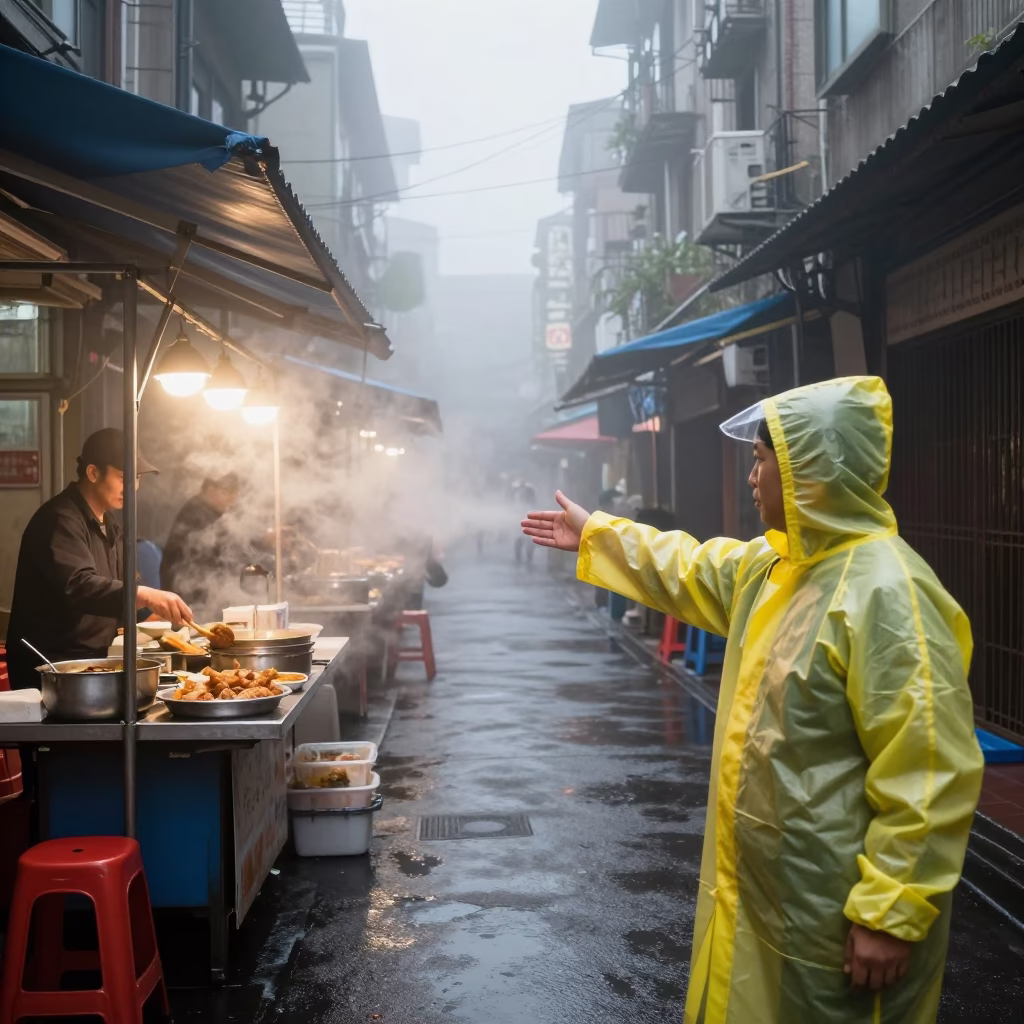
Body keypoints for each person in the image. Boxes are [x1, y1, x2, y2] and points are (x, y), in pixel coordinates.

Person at [522, 376, 983, 1024]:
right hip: (768, 897)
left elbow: (928, 769)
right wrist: (598, 533)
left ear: (811, 472)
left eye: (762, 460)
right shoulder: (776, 567)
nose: (751, 477)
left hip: (836, 912)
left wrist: (891, 912)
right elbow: (691, 567)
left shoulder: (889, 593)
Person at [7, 428, 193, 690]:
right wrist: (146, 595)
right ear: (93, 473)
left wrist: (147, 615)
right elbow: (80, 585)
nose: (132, 487)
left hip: (91, 662)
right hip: (52, 667)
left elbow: (117, 587)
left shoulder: (109, 523)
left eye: (137, 478)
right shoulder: (59, 520)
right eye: (123, 478)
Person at [160, 472, 241, 620]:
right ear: (210, 489)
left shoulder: (208, 511)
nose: (232, 499)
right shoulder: (196, 514)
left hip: (197, 593)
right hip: (187, 595)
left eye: (234, 493)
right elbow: (214, 554)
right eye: (227, 492)